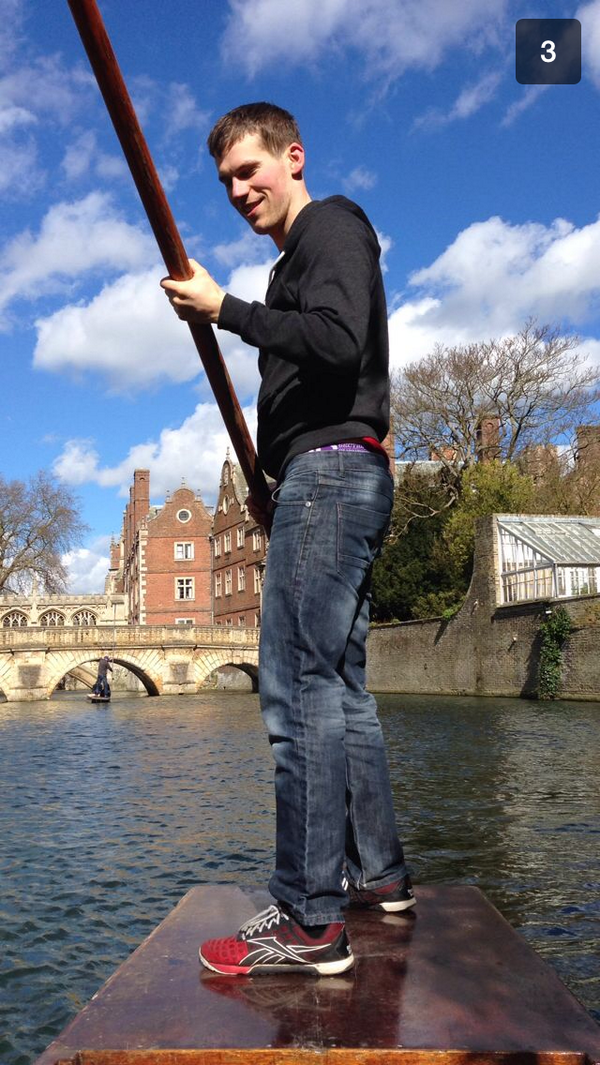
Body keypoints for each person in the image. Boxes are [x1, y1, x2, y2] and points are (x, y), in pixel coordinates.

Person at [161, 102, 414, 977]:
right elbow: (307, 377)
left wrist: (225, 309)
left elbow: (340, 344)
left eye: (250, 170)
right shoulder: (287, 275)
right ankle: (379, 876)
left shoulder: (332, 227)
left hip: (335, 478)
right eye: (226, 180)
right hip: (329, 477)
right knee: (342, 689)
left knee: (295, 689)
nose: (239, 190)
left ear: (293, 156)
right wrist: (271, 480)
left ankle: (310, 917)